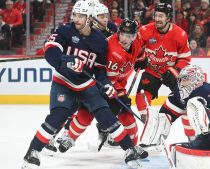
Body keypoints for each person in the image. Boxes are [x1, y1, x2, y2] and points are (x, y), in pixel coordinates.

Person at [21, 1, 141, 168]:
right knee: (59, 115)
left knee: (105, 114)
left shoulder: (100, 40)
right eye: (75, 15)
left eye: (81, 16)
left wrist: (106, 84)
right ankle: (32, 153)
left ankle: (130, 150)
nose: (76, 19)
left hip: (86, 85)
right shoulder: (65, 30)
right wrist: (66, 61)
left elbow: (99, 69)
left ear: (90, 18)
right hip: (63, 82)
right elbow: (50, 52)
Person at [56, 19, 148, 159]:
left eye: (129, 36)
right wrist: (121, 94)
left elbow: (139, 51)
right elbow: (108, 79)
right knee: (86, 114)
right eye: (123, 34)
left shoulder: (136, 42)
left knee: (127, 116)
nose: (125, 39)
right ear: (118, 33)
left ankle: (133, 146)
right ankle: (70, 138)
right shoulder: (114, 50)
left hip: (115, 85)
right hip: (98, 84)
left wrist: (142, 58)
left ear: (135, 36)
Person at [134, 3, 191, 146]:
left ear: (168, 18)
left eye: (161, 16)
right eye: (156, 15)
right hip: (152, 70)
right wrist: (140, 58)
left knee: (186, 102)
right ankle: (151, 131)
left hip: (171, 72)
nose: (157, 19)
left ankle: (193, 137)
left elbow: (185, 58)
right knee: (141, 96)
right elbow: (133, 47)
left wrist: (175, 71)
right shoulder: (145, 30)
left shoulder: (180, 34)